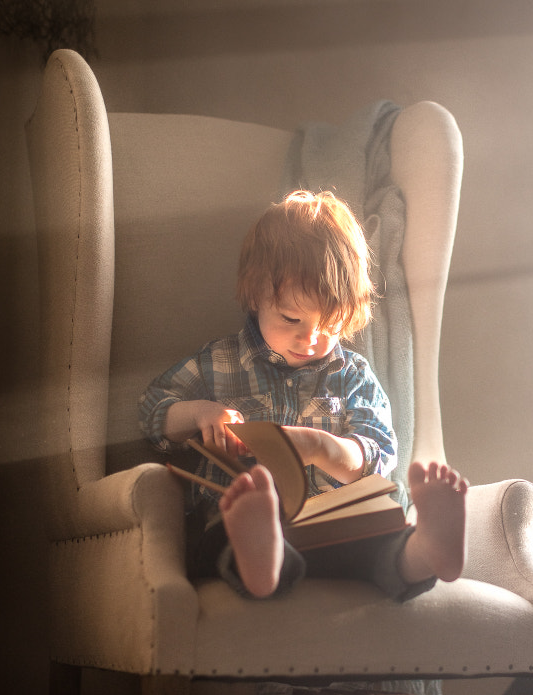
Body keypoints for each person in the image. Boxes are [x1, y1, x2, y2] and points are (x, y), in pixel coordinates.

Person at [139, 189, 467, 600]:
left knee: (383, 544)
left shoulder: (351, 375)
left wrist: (319, 447)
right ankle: (263, 553)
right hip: (239, 522)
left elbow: (378, 456)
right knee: (222, 538)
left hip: (336, 529)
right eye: (291, 318)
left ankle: (426, 549)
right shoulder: (219, 362)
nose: (309, 339)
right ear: (256, 295)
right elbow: (151, 411)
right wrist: (199, 413)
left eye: (329, 326)